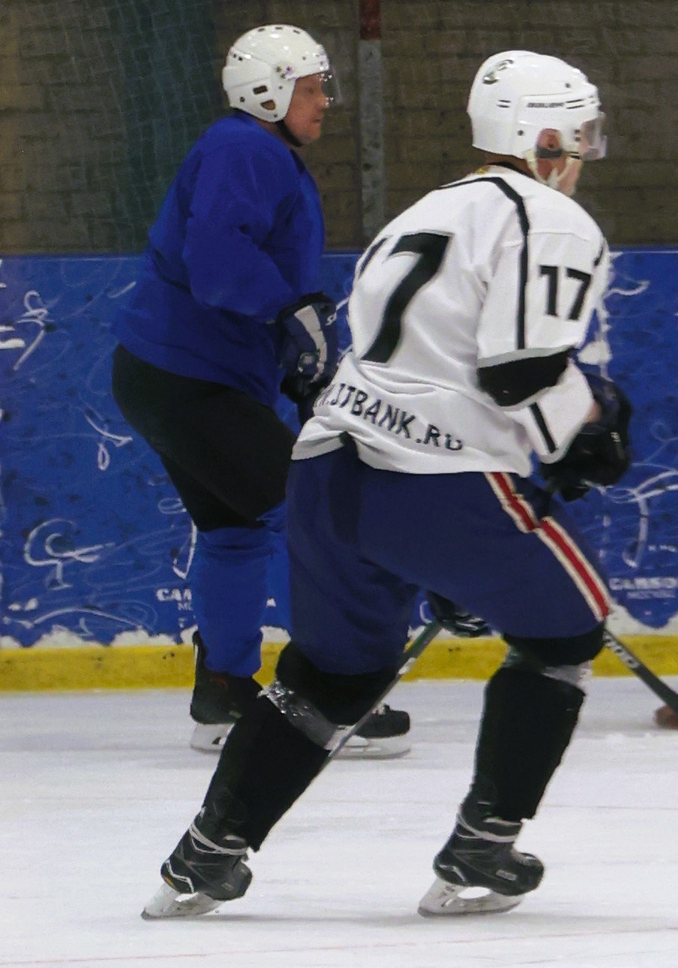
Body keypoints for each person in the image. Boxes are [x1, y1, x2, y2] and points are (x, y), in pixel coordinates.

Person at [143, 49, 633, 921]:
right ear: (545, 134)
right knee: (566, 631)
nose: (585, 152)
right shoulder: (551, 218)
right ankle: (483, 847)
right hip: (435, 479)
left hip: (330, 470)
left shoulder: (423, 211)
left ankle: (206, 854)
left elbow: (407, 357)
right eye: (581, 133)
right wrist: (584, 425)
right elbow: (520, 372)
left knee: (332, 677)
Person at [110, 24, 408, 758]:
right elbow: (217, 264)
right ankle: (328, 698)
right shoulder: (245, 148)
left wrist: (295, 357)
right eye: (311, 88)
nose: (324, 102)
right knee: (314, 515)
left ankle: (223, 691)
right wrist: (289, 310)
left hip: (170, 376)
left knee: (236, 530)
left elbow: (237, 273)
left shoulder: (256, 152)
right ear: (267, 91)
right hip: (187, 382)